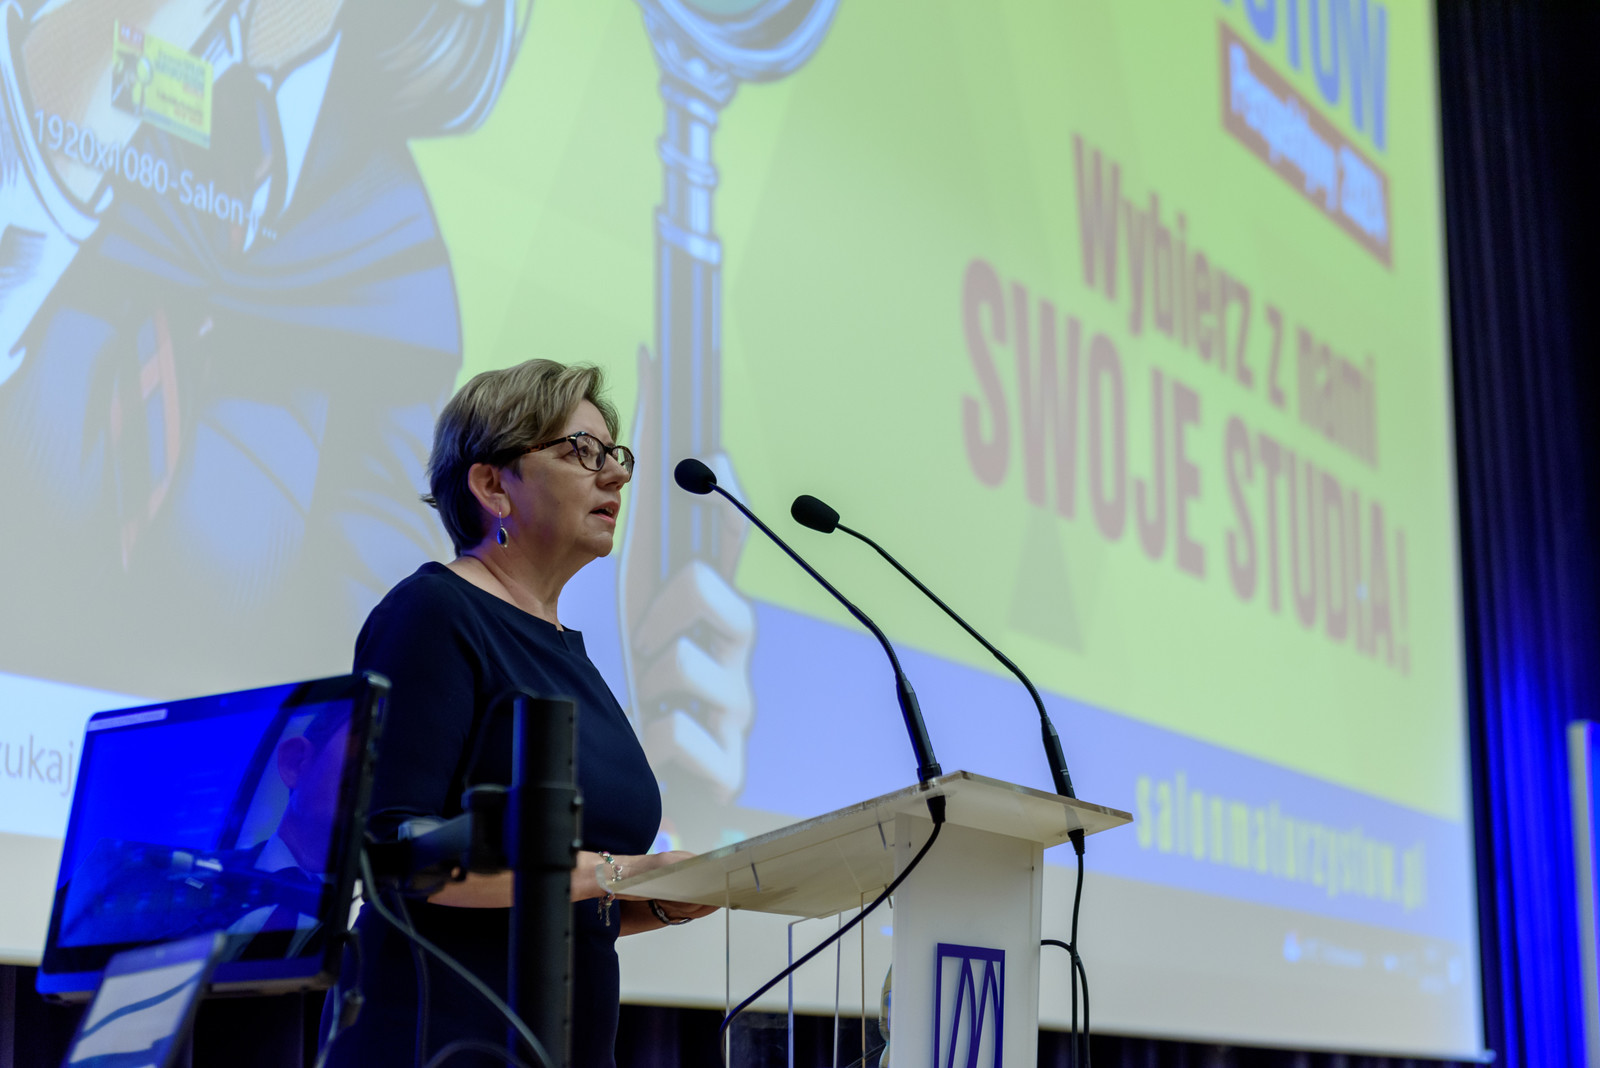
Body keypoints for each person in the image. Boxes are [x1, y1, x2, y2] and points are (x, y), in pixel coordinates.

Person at [323, 359, 714, 1068]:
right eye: (582, 451)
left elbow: (553, 907)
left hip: (559, 1041)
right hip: (435, 1038)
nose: (615, 475)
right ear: (492, 485)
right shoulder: (434, 613)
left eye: (615, 455)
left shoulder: (566, 651)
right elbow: (391, 856)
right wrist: (618, 870)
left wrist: (659, 896)